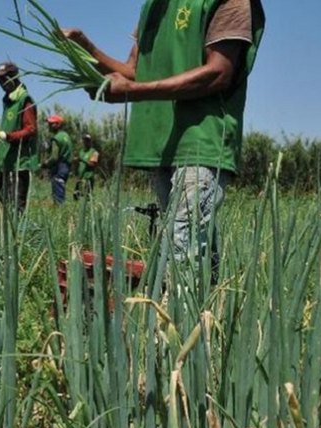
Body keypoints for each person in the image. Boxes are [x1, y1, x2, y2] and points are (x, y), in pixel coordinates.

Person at [63, 0, 264, 283]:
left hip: (201, 141)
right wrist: (84, 46)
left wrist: (134, 91)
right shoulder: (154, 6)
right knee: (188, 242)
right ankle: (209, 307)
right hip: (161, 143)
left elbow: (219, 73)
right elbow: (135, 71)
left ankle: (176, 311)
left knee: (182, 243)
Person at [0, 61, 39, 214]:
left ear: (14, 77)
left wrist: (8, 136)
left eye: (3, 79)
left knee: (15, 210)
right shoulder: (8, 101)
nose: (1, 83)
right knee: (1, 206)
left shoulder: (24, 100)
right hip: (4, 163)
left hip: (18, 165)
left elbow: (30, 129)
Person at [43, 115, 72, 205]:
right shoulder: (66, 136)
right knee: (61, 186)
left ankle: (60, 209)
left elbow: (54, 157)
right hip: (67, 166)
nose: (49, 125)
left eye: (51, 123)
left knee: (57, 192)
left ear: (58, 125)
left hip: (59, 166)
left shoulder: (56, 139)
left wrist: (45, 164)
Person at [73, 133, 99, 200]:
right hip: (80, 177)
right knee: (76, 195)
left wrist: (82, 160)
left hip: (88, 177)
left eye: (87, 140)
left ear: (90, 141)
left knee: (85, 197)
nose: (85, 142)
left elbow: (92, 164)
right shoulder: (81, 151)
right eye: (84, 140)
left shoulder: (94, 152)